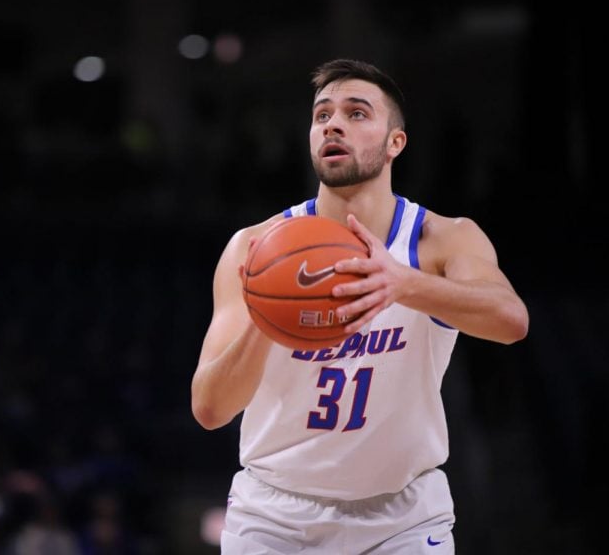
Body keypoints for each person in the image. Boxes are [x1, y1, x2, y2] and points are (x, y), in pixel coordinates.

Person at [191, 58, 529, 554]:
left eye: (356, 113)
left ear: (396, 142)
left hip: (403, 516)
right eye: (322, 114)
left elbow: (511, 321)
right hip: (273, 514)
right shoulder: (254, 249)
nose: (333, 124)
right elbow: (210, 408)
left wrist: (404, 284)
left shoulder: (441, 240)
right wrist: (266, 319)